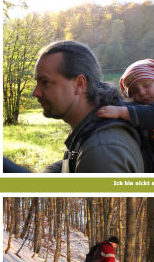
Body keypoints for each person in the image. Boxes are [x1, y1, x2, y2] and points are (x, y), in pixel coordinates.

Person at [32, 40, 145, 173]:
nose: (36, 92)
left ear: (79, 83)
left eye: (45, 82)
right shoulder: (91, 132)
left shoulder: (102, 152)